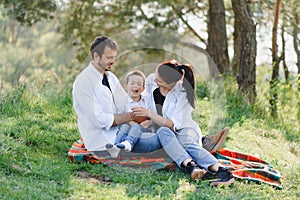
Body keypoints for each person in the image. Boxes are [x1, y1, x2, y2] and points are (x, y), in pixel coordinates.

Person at [72, 36, 231, 185]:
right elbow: (100, 119)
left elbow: (126, 104)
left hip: (144, 129)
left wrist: (140, 116)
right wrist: (132, 116)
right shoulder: (84, 83)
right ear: (96, 56)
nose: (113, 61)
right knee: (166, 136)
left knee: (167, 134)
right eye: (109, 58)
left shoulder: (110, 77)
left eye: (114, 57)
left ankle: (200, 163)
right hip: (106, 140)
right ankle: (200, 151)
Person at [131, 59, 234, 185]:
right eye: (155, 76)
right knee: (161, 133)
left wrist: (149, 113)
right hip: (162, 131)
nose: (154, 81)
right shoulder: (152, 80)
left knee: (183, 142)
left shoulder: (182, 93)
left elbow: (172, 125)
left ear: (172, 84)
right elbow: (143, 100)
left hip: (184, 130)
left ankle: (223, 172)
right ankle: (193, 164)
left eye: (159, 81)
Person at [113, 70, 154, 151]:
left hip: (144, 128)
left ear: (143, 88)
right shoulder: (123, 101)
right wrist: (129, 122)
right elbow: (120, 118)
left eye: (139, 84)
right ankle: (115, 144)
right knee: (124, 126)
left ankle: (129, 143)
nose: (135, 86)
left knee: (136, 127)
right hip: (128, 127)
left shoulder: (147, 101)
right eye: (132, 83)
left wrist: (147, 122)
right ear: (126, 86)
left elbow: (152, 117)